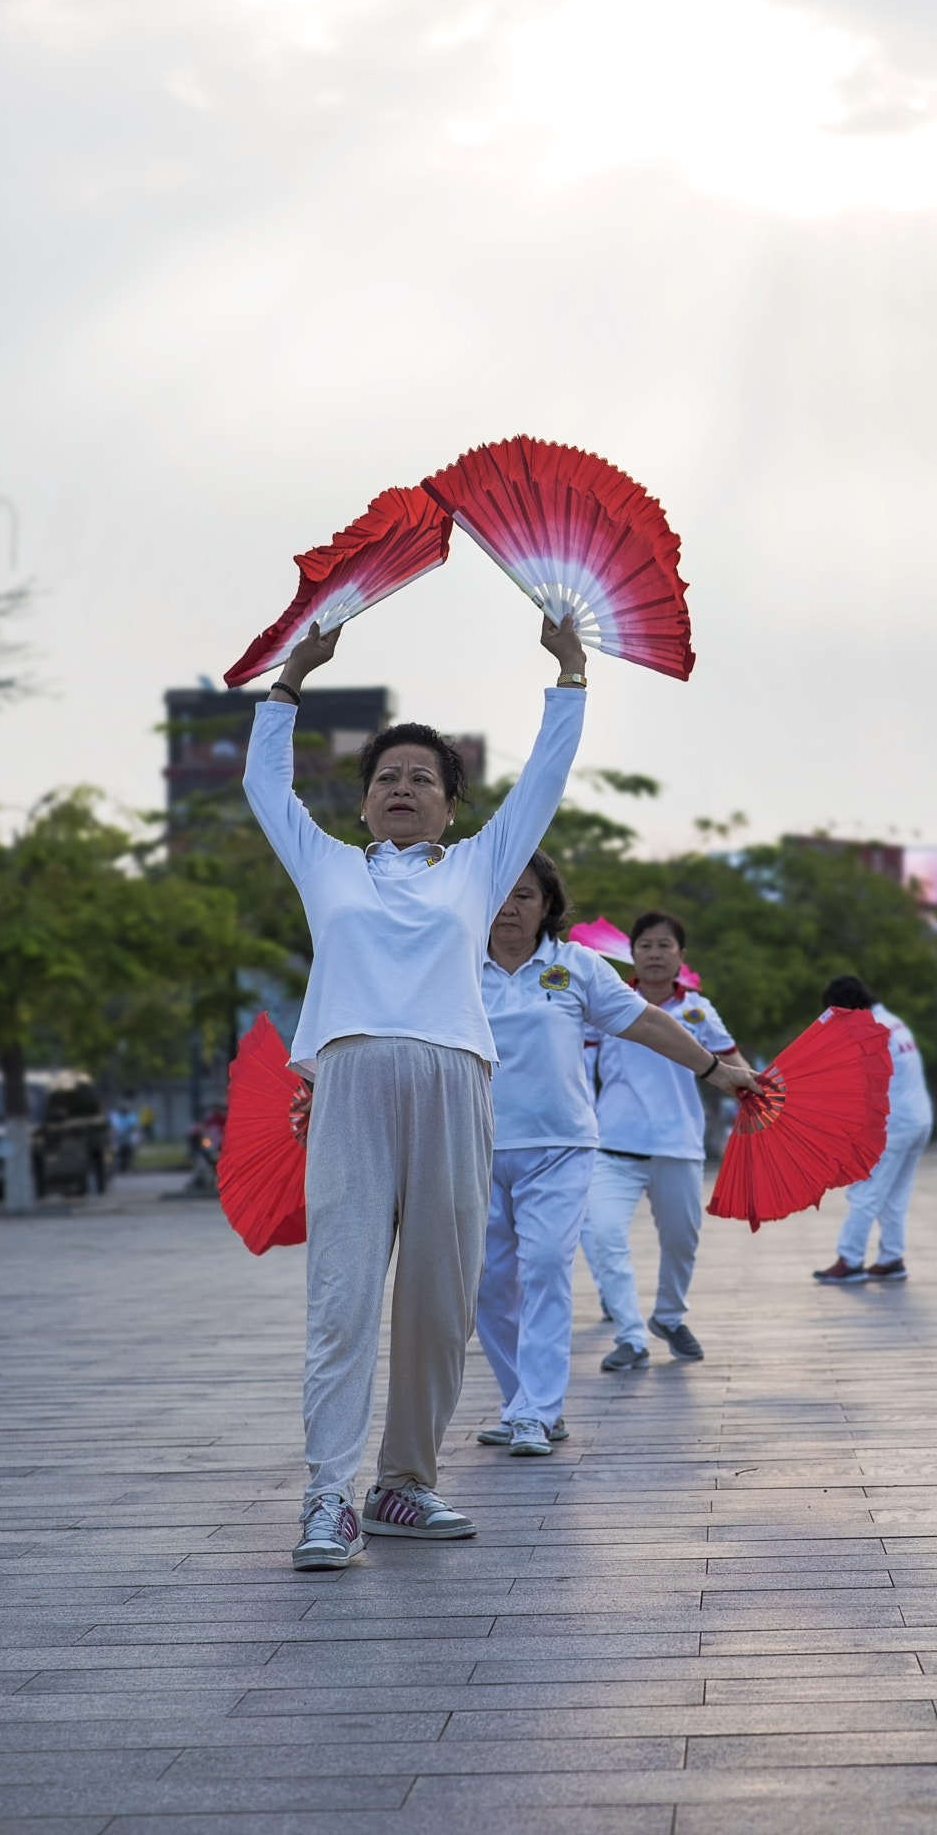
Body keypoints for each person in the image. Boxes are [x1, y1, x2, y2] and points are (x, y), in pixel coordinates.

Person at [243, 609, 589, 1570]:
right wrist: (289, 682)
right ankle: (327, 1498)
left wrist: (568, 675)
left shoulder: (481, 869)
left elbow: (545, 784)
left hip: (453, 1083)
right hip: (352, 1079)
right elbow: (262, 786)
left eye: (421, 779)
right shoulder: (326, 866)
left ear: (449, 805)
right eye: (386, 779)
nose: (402, 789)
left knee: (441, 1298)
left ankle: (405, 1486)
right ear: (362, 805)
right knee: (343, 1294)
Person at [476, 856, 758, 1456]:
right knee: (487, 1286)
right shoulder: (451, 966)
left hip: (561, 1148)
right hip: (472, 1147)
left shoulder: (577, 966)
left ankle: (537, 1412)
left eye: (524, 896)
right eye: (499, 894)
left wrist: (716, 1070)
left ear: (547, 905)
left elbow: (647, 1023)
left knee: (547, 1266)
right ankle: (519, 1399)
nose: (509, 908)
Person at [585, 911, 749, 1369]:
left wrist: (760, 1099)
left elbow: (733, 1064)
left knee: (681, 1241)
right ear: (630, 954)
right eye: (646, 946)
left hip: (678, 1144)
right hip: (613, 1145)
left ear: (681, 957)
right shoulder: (606, 1004)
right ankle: (631, 1336)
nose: (655, 954)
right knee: (605, 1237)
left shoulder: (698, 1009)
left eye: (665, 946)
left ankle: (670, 1317)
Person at [813, 973, 934, 1285]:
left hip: (893, 1125)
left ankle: (849, 1260)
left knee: (864, 1193)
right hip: (918, 1120)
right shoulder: (892, 1021)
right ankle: (891, 1258)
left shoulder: (870, 1030)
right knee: (894, 1195)